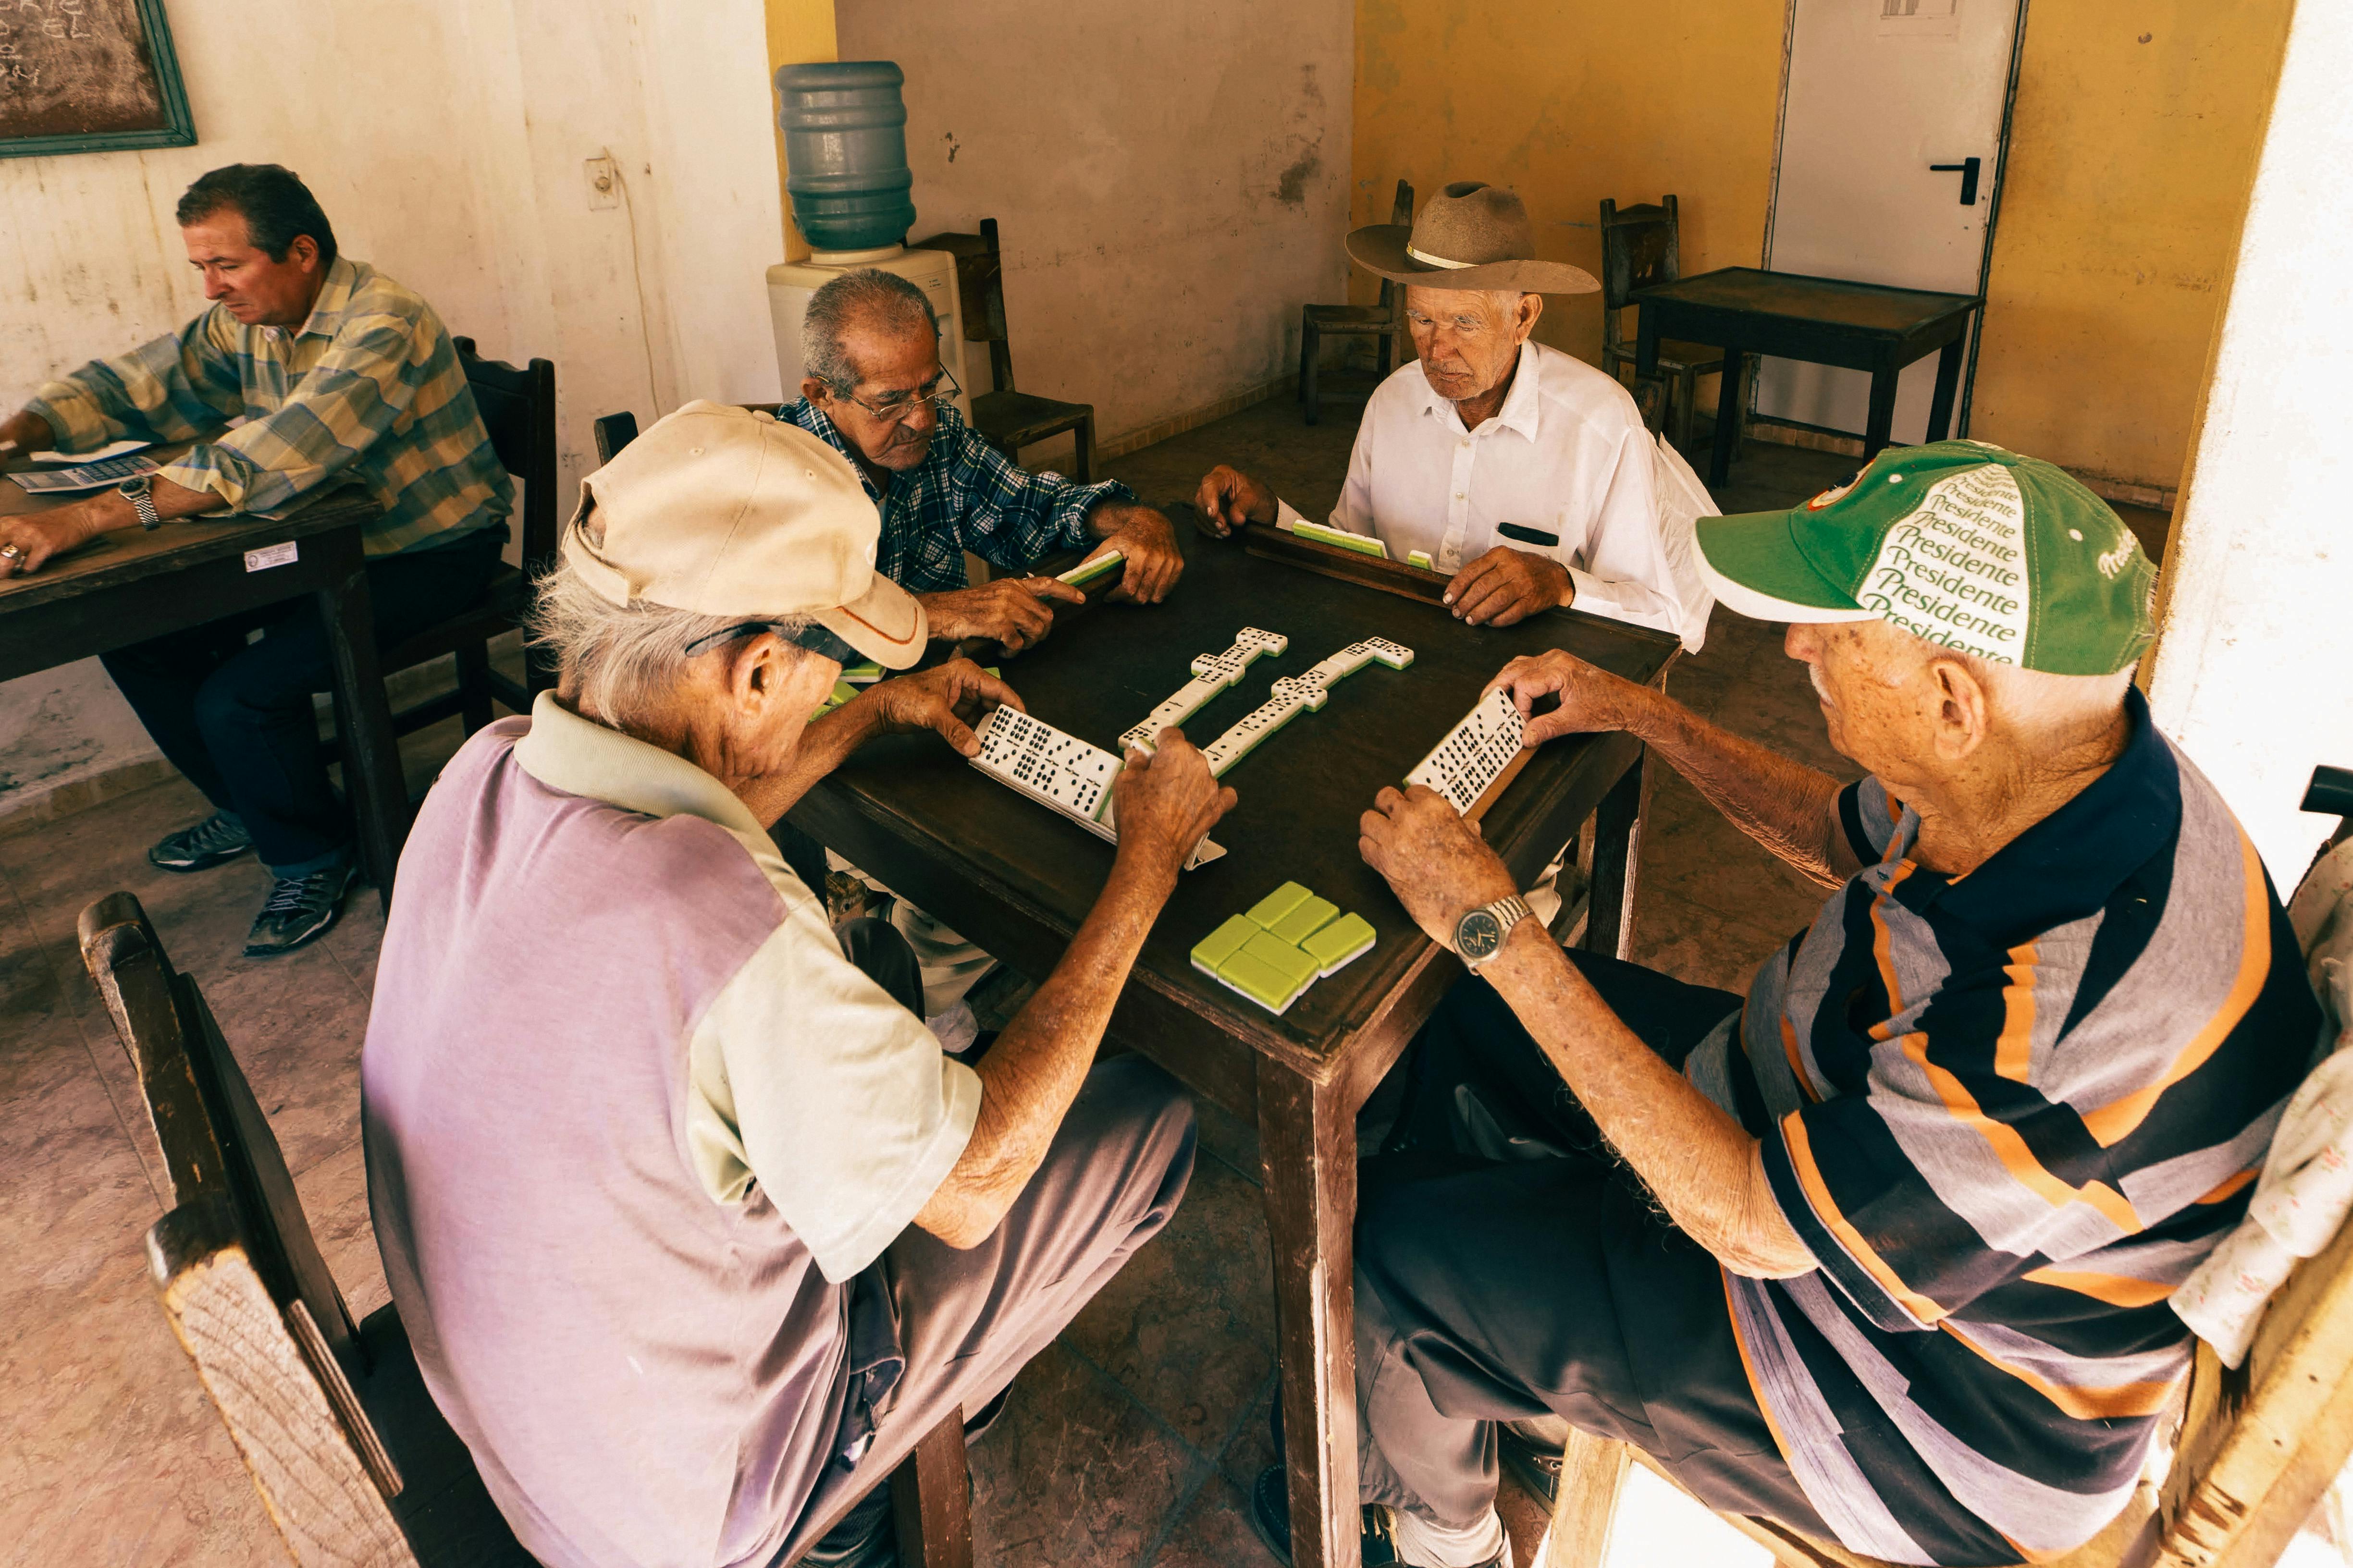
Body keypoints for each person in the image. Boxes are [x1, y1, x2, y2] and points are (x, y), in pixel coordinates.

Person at [1251, 441, 2324, 1568]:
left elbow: (1755, 1228)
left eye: (1833, 629)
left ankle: (1445, 1539)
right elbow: (1832, 828)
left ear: (1952, 701)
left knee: (1390, 1250)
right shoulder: (2062, 765)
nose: (1796, 646)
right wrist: (1633, 711)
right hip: (1801, 1117)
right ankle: (1516, 1379)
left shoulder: (2078, 1019)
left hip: (1898, 1410)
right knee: (1442, 1018)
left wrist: (1492, 924)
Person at [364, 401, 1230, 1568]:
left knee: (872, 982)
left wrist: (873, 710)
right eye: (835, 668)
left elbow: (666, 839)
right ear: (759, 667)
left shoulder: (483, 771)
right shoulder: (718, 920)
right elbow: (973, 1193)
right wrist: (1145, 861)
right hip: (694, 1500)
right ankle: (898, 1451)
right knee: (1150, 1118)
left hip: (521, 1416)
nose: (838, 688)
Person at [0, 163, 511, 956]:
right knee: (141, 635)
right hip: (323, 544)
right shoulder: (250, 320)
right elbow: (139, 383)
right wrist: (19, 432)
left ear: (301, 252)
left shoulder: (383, 322)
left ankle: (314, 851)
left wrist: (91, 516)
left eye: (226, 265)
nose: (211, 288)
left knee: (237, 697)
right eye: (200, 267)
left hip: (431, 551)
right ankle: (253, 799)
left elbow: (277, 454)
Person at [1195, 181, 1715, 651]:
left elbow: (1659, 615)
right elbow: (1354, 552)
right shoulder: (1391, 403)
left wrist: (1559, 584)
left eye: (1464, 322)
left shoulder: (1599, 424)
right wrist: (1274, 518)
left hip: (1537, 676)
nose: (1435, 349)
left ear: (1524, 317)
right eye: (1421, 318)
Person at [785, 267, 1185, 655]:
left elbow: (1028, 510)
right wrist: (934, 613)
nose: (923, 419)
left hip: (955, 681)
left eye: (930, 388)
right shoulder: (767, 478)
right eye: (890, 402)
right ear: (821, 394)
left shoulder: (939, 438)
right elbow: (776, 633)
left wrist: (1137, 522)